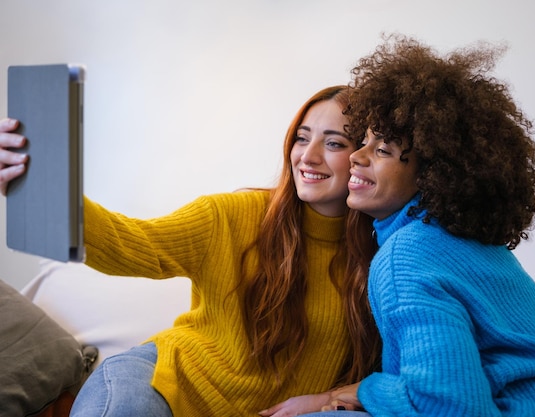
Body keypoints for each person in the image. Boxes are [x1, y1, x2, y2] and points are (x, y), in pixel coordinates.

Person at [264, 35, 535, 416]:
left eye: (382, 150)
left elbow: (449, 406)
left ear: (431, 174)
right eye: (363, 141)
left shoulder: (405, 256)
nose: (356, 157)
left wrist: (359, 392)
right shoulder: (479, 246)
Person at [0, 85, 382, 416]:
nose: (308, 156)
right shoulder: (233, 215)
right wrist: (44, 187)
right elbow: (134, 243)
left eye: (333, 143)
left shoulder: (383, 256)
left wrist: (330, 397)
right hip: (161, 382)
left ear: (366, 155)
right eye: (301, 137)